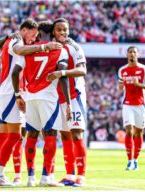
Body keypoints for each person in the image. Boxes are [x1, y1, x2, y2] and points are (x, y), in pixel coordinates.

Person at [12, 20, 72, 187]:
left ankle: (30, 177)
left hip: (30, 97)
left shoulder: (30, 50)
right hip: (48, 97)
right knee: (51, 135)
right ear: (52, 33)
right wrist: (68, 103)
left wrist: (18, 95)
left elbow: (15, 72)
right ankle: (46, 177)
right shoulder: (59, 49)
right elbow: (63, 76)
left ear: (39, 33)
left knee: (31, 135)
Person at [0, 18, 39, 186]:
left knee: (4, 134)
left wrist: (6, 37)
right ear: (24, 30)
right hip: (11, 92)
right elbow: (19, 49)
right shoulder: (17, 40)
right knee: (15, 135)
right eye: (32, 35)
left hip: (5, 92)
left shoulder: (10, 39)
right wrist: (42, 47)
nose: (33, 39)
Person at [47, 18, 87, 187]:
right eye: (59, 30)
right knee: (64, 135)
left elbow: (82, 70)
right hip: (59, 97)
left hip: (75, 96)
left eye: (65, 29)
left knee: (76, 133)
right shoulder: (52, 48)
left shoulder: (74, 47)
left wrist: (62, 73)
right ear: (53, 32)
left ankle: (81, 176)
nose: (63, 32)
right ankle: (70, 174)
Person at [118, 46, 145, 170]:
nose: (132, 54)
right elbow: (120, 87)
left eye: (134, 52)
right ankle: (129, 161)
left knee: (139, 132)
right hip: (127, 104)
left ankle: (135, 160)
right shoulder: (122, 70)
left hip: (140, 105)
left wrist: (139, 85)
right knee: (129, 130)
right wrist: (120, 86)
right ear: (127, 55)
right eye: (130, 52)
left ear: (137, 55)